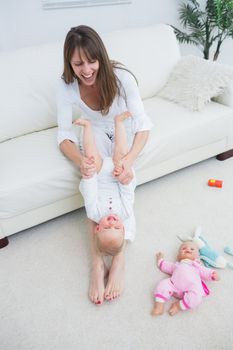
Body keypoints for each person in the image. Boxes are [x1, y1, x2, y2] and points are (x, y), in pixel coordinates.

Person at [56, 25, 152, 304]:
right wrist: (83, 162)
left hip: (126, 129)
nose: (86, 70)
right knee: (94, 186)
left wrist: (128, 164)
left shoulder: (122, 78)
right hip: (96, 130)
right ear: (69, 63)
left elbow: (143, 125)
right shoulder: (65, 85)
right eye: (78, 63)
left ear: (101, 57)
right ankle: (98, 263)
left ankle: (118, 258)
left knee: (120, 171)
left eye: (92, 61)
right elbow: (63, 136)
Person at [76, 111, 136, 304]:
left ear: (97, 228)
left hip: (100, 176)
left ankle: (87, 127)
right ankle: (119, 122)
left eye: (107, 226)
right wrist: (122, 177)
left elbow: (91, 192)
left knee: (91, 156)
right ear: (123, 227)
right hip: (118, 178)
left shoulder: (94, 213)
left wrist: (89, 176)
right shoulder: (125, 212)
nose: (112, 222)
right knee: (121, 154)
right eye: (117, 227)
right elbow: (127, 193)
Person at [151, 241, 220, 316]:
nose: (188, 249)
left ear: (197, 256)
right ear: (178, 256)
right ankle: (159, 306)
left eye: (192, 249)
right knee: (162, 285)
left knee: (197, 297)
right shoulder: (176, 265)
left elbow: (206, 272)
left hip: (190, 288)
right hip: (173, 285)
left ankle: (178, 305)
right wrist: (160, 259)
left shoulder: (197, 266)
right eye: (183, 248)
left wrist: (213, 275)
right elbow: (164, 266)